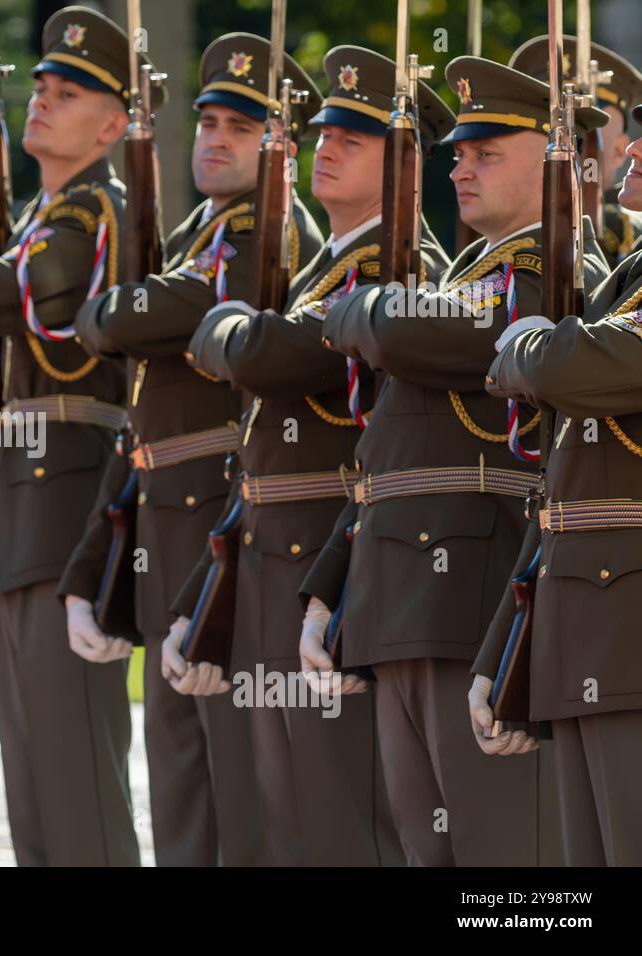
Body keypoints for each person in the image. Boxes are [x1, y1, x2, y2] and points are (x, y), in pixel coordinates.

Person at [300, 56, 610, 866]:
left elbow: (405, 331)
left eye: (487, 153)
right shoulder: (478, 273)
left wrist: (359, 305)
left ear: (553, 164)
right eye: (459, 153)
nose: (460, 168)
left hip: (471, 590)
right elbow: (384, 455)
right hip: (399, 591)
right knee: (428, 848)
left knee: (502, 860)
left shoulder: (551, 272)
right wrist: (328, 588)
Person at [177, 46, 450, 866]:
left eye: (353, 140)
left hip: (335, 558)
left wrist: (232, 331)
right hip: (272, 555)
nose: (325, 148)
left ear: (403, 164)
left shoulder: (402, 272)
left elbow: (268, 357)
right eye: (324, 132)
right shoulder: (321, 273)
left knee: (342, 812)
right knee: (281, 816)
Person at [58, 33, 325, 866]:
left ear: (281, 146)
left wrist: (116, 309)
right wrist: (89, 564)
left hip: (227, 530)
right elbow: (139, 410)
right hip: (169, 533)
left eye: (240, 128)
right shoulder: (194, 237)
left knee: (240, 797)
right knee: (178, 791)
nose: (212, 137)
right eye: (208, 120)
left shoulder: (268, 240)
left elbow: (119, 321)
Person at [0, 6, 143, 866]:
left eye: (68, 94)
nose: (43, 102)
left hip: (72, 504)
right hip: (21, 512)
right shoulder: (42, 217)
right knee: (33, 787)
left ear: (114, 123)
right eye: (41, 89)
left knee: (78, 788)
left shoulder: (98, 211)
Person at [475, 126, 642, 866]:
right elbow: (562, 496)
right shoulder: (628, 275)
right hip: (584, 621)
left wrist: (524, 348)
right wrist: (505, 646)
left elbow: (583, 364)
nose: (630, 155)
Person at [510, 36, 642, 264]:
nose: (556, 153)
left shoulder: (625, 238)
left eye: (579, 141)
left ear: (620, 150)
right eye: (545, 137)